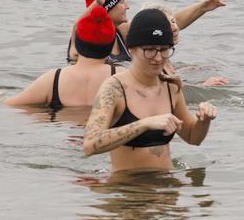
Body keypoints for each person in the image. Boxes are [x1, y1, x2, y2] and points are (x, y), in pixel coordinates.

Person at [83, 9, 217, 173]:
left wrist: (204, 121)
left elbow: (192, 138)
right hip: (127, 186)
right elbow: (90, 144)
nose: (158, 58)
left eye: (164, 49)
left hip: (167, 184)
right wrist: (144, 124)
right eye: (150, 50)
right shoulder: (114, 88)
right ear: (131, 49)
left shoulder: (171, 86)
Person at [69, 0, 228, 63]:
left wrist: (202, 7)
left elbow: (163, 24)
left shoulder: (121, 32)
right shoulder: (83, 40)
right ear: (106, 6)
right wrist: (98, 4)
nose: (127, 6)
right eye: (122, 2)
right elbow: (77, 28)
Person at [5, 7, 122, 108]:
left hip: (61, 125)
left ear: (77, 44)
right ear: (110, 46)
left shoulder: (53, 80)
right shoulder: (122, 77)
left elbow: (11, 104)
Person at [140, 1, 228, 86]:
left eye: (173, 21)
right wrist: (204, 86)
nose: (175, 28)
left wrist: (189, 70)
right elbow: (166, 91)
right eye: (166, 25)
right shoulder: (153, 61)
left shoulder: (163, 56)